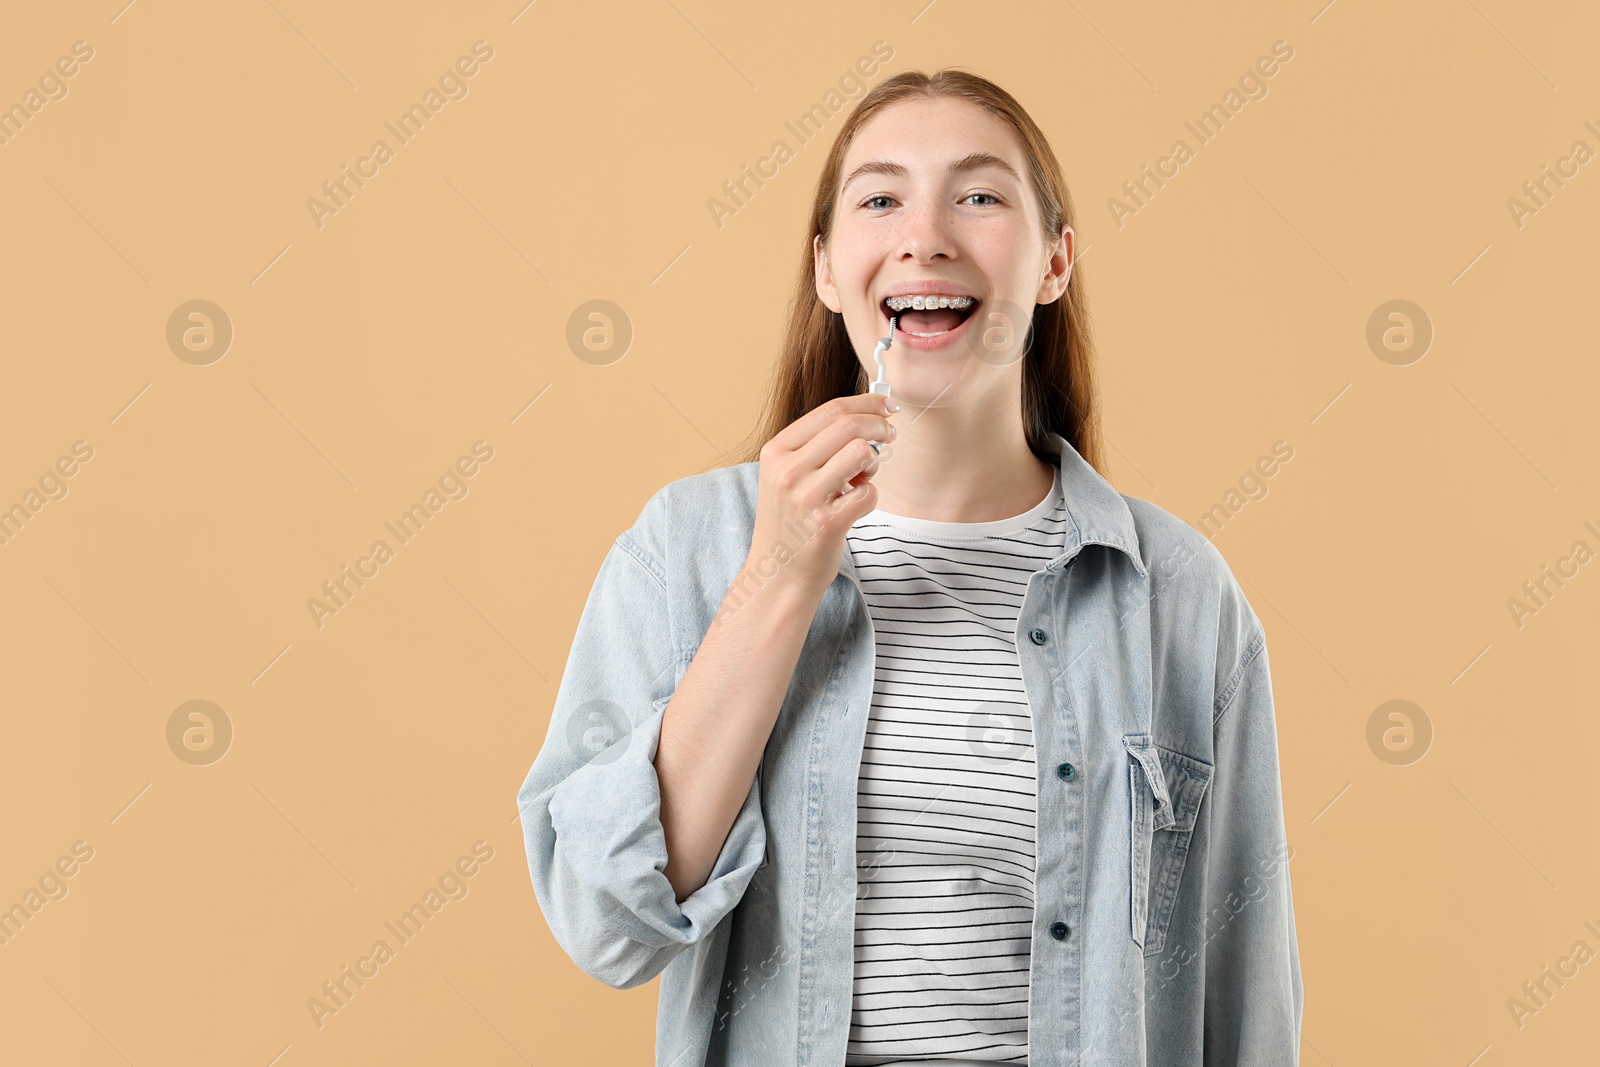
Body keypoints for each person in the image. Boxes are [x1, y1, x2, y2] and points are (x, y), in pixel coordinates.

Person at [517, 67, 1304, 1066]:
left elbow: (1244, 992)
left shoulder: (1180, 595)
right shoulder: (687, 549)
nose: (925, 235)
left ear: (1054, 262)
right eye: (880, 198)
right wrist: (778, 576)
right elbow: (605, 923)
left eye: (978, 196)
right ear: (826, 270)